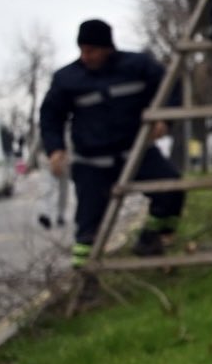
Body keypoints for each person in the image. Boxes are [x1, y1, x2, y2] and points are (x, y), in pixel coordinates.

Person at [39, 20, 185, 266]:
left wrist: (165, 119)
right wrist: (55, 149)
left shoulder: (138, 66)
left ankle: (151, 239)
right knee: (88, 226)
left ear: (108, 48)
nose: (86, 56)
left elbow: (171, 87)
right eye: (82, 50)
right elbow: (50, 115)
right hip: (92, 163)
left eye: (92, 50)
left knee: (171, 190)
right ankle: (86, 281)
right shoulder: (67, 78)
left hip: (137, 153)